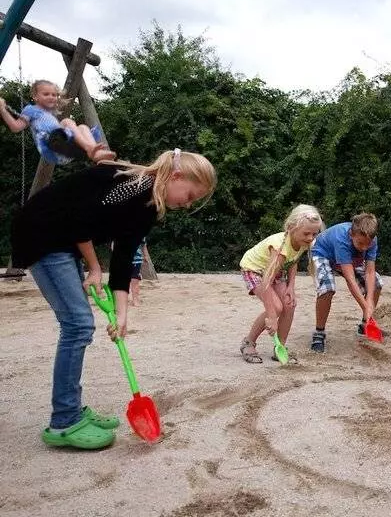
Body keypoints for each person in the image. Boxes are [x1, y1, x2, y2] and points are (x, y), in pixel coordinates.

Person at [11, 149, 216, 449]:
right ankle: (64, 420)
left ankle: (73, 408)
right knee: (78, 324)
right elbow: (78, 220)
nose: (189, 204)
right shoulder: (131, 184)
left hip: (62, 240)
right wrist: (94, 267)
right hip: (41, 234)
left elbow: (123, 256)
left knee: (79, 324)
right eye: (191, 195)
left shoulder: (148, 206)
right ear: (176, 176)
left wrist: (122, 316)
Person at [238, 205, 324, 363]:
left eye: (314, 233)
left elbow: (293, 261)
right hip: (255, 270)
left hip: (275, 272)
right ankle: (248, 342)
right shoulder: (280, 246)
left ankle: (280, 347)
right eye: (307, 233)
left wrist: (291, 287)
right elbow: (266, 281)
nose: (311, 238)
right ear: (291, 228)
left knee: (289, 304)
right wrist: (271, 317)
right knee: (276, 308)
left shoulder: (302, 242)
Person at [309, 213, 382, 353]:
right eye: (360, 243)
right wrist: (366, 306)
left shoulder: (371, 239)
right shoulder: (342, 239)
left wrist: (370, 301)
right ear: (351, 235)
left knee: (377, 283)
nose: (365, 248)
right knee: (327, 289)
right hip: (323, 254)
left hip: (349, 259)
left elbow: (370, 272)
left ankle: (365, 324)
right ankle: (319, 333)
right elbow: (350, 279)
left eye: (368, 244)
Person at [0, 80, 116, 165]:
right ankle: (91, 149)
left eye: (54, 95)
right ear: (35, 96)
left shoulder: (51, 114)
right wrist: (2, 109)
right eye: (46, 94)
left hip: (66, 150)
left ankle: (95, 152)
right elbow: (15, 127)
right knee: (66, 121)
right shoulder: (31, 110)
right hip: (52, 146)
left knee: (83, 127)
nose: (51, 97)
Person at [129, 238, 148, 307]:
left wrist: (145, 256)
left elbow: (143, 245)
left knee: (135, 280)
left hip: (137, 260)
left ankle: (135, 299)